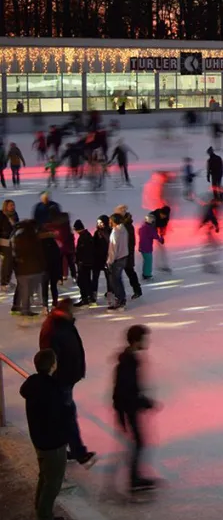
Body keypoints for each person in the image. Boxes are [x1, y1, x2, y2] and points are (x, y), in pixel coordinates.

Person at [39, 297, 96, 468]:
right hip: (61, 380)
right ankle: (79, 453)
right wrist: (55, 376)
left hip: (67, 378)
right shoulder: (55, 328)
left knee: (65, 415)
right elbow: (50, 355)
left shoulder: (64, 324)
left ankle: (65, 450)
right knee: (67, 416)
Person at [20, 349, 70, 520]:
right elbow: (59, 416)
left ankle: (40, 509)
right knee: (53, 483)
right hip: (53, 443)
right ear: (53, 365)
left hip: (39, 439)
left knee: (45, 475)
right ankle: (44, 515)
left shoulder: (33, 385)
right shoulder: (53, 389)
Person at [112, 324, 158, 494]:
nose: (148, 342)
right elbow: (125, 391)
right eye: (145, 339)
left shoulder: (130, 359)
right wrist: (144, 403)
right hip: (128, 409)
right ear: (136, 341)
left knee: (139, 442)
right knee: (139, 442)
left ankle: (135, 477)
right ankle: (134, 479)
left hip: (128, 407)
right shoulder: (128, 363)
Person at [12, 219, 44, 316]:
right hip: (33, 268)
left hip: (21, 269)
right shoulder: (35, 238)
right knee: (29, 290)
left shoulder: (18, 237)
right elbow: (40, 254)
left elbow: (15, 253)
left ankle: (21, 307)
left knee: (23, 289)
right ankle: (25, 309)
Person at [105, 213, 129, 311]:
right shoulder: (124, 230)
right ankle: (121, 299)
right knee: (118, 279)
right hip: (124, 257)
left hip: (117, 259)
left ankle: (120, 300)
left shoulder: (115, 233)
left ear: (113, 221)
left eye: (110, 220)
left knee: (115, 281)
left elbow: (113, 250)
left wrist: (109, 262)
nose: (109, 222)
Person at [137, 214, 162, 282]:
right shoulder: (149, 228)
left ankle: (145, 273)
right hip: (147, 247)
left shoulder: (142, 227)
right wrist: (160, 239)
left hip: (142, 247)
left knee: (146, 261)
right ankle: (147, 274)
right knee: (148, 261)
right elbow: (155, 235)